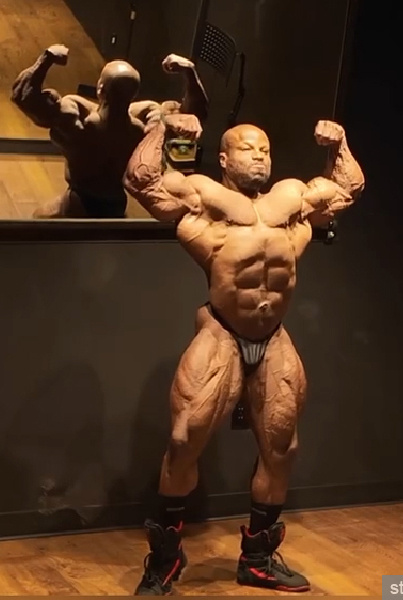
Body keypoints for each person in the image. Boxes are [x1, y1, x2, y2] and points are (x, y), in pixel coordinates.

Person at [123, 112, 365, 595]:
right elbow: (141, 180)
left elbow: (347, 187)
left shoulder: (292, 199)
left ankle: (257, 560)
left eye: (265, 149)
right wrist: (163, 129)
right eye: (248, 148)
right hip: (222, 332)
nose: (259, 156)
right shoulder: (203, 197)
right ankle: (166, 559)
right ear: (223, 157)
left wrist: (339, 145)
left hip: (274, 336)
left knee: (282, 449)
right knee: (184, 439)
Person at [11, 45, 208, 218]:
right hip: (116, 202)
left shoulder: (77, 121)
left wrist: (47, 58)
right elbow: (193, 115)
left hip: (79, 201)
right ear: (134, 94)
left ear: (100, 89)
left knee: (38, 218)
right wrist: (190, 73)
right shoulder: (146, 123)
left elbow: (23, 96)